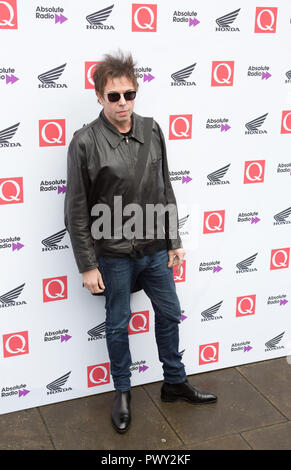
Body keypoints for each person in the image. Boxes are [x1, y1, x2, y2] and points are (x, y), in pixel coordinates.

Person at [64, 51, 217, 434]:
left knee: (169, 313)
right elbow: (77, 209)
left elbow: (164, 187)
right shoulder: (84, 142)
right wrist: (86, 264)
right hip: (113, 254)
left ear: (136, 93)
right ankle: (123, 392)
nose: (122, 103)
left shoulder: (152, 130)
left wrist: (174, 240)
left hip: (154, 250)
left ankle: (174, 382)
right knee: (117, 325)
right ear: (99, 96)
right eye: (113, 96)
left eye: (128, 94)